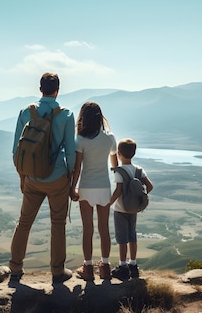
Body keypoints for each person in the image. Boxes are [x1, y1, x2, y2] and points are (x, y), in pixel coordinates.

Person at [8, 72, 76, 284]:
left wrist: (23, 178)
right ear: (58, 90)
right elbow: (71, 152)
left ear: (40, 89)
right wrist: (71, 180)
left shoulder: (25, 112)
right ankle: (57, 272)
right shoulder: (65, 115)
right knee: (58, 224)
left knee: (24, 223)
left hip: (32, 177)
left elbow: (16, 151)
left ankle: (16, 268)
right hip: (57, 178)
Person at [70, 102, 118, 281]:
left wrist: (72, 188)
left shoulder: (80, 140)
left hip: (86, 187)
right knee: (104, 228)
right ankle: (105, 267)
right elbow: (114, 163)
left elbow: (78, 167)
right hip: (104, 187)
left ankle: (88, 267)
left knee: (87, 229)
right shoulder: (109, 138)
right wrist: (117, 178)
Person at [109, 138, 153, 281]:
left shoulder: (119, 172)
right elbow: (150, 186)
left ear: (119, 154)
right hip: (134, 209)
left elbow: (118, 191)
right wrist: (139, 198)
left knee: (122, 238)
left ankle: (123, 267)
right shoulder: (139, 170)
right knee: (132, 236)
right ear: (133, 153)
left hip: (120, 210)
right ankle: (133, 265)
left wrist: (108, 203)